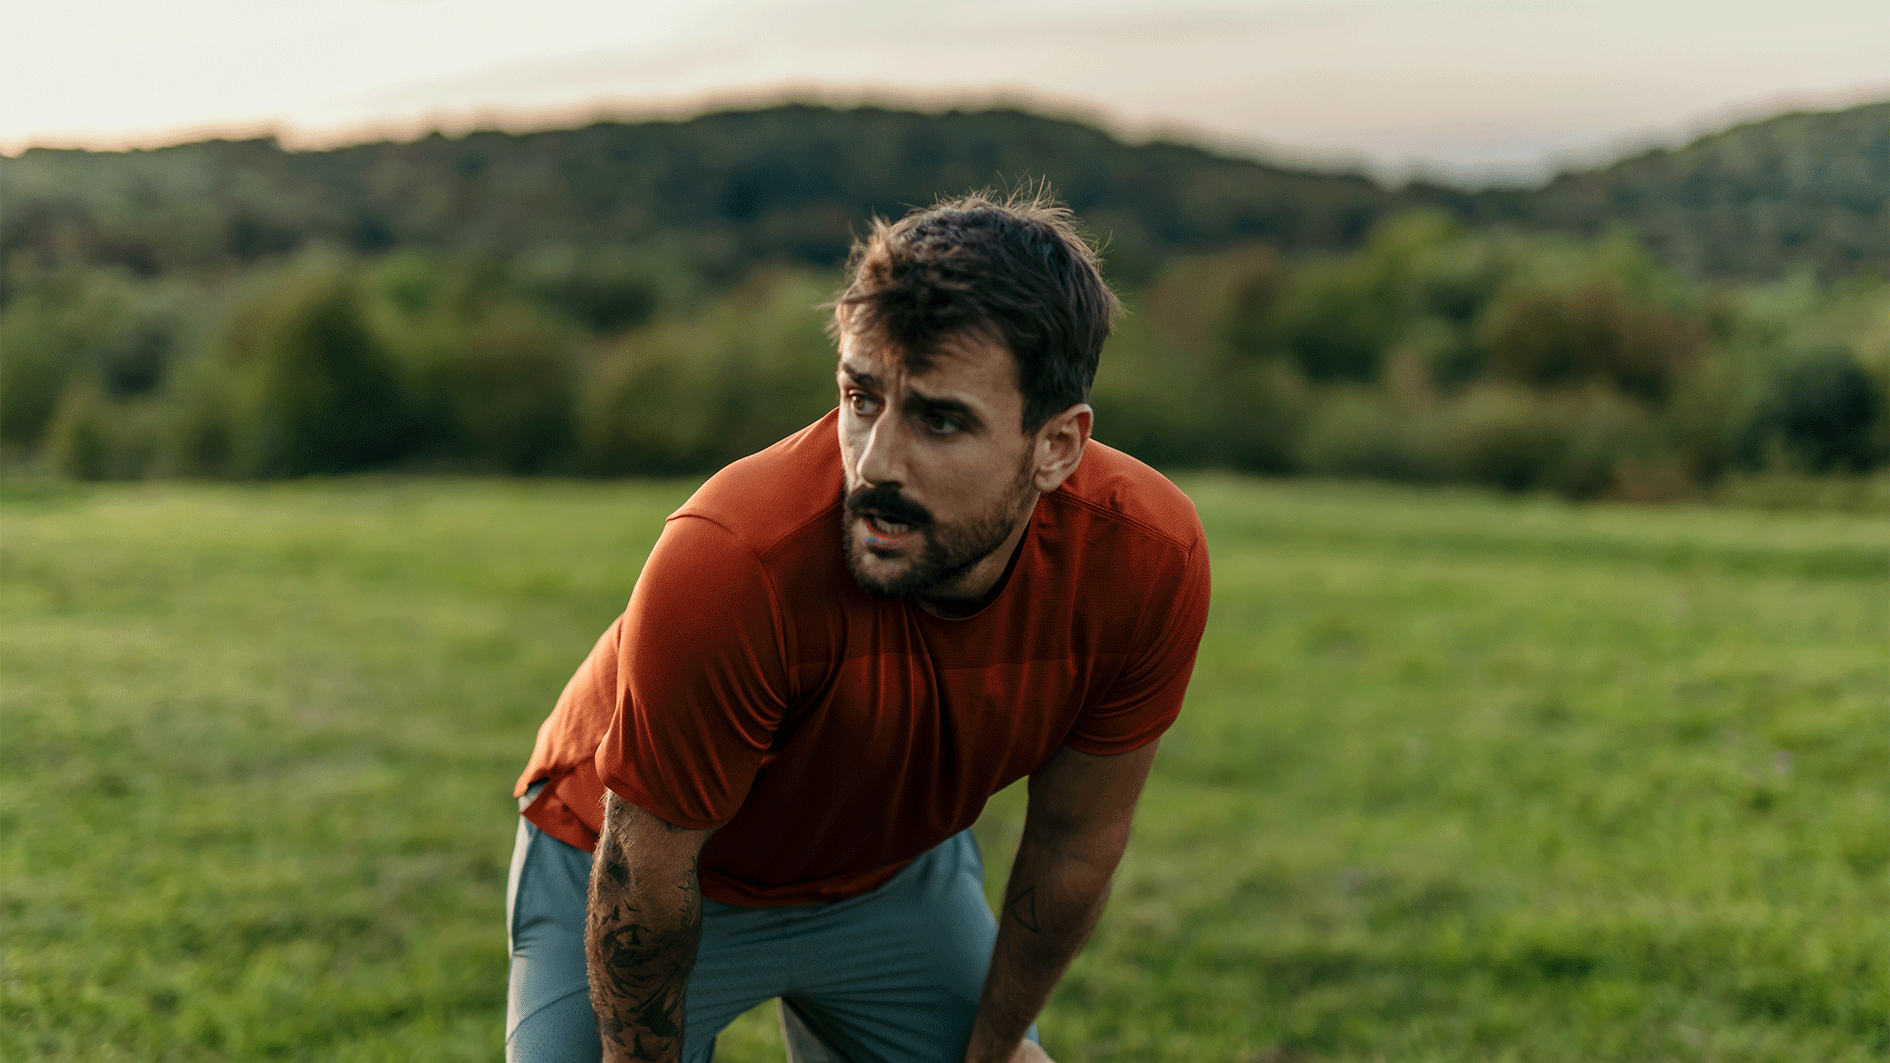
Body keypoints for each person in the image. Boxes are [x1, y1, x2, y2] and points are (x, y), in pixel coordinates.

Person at [505, 190, 1212, 1063]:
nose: (874, 464)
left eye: (940, 420)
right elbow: (647, 860)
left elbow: (1076, 837)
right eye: (861, 397)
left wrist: (993, 1048)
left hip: (890, 881)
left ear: (1057, 447)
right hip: (634, 860)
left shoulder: (1145, 556)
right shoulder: (735, 557)